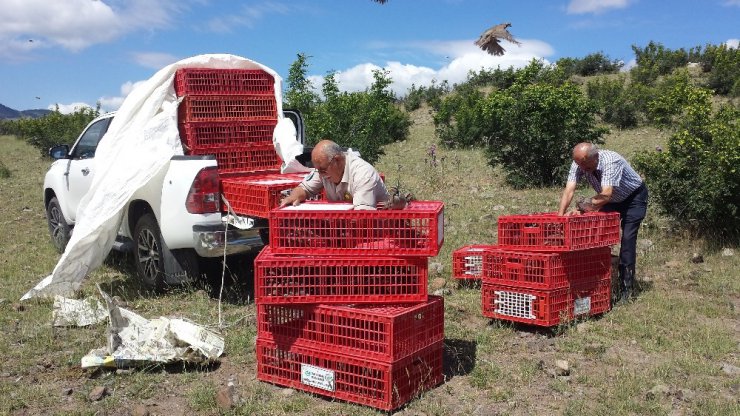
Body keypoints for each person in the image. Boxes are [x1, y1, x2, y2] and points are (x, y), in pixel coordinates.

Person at [557, 142, 649, 304]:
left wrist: (584, 206)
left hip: (633, 198)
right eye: (579, 164)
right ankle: (596, 278)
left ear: (594, 158)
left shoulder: (611, 161)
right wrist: (560, 217)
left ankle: (627, 288)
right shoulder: (579, 162)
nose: (582, 168)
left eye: (585, 165)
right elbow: (569, 189)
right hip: (611, 199)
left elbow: (606, 194)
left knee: (627, 239)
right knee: (595, 230)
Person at [280, 139, 389, 210]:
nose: (321, 176)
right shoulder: (323, 168)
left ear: (337, 160)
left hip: (374, 235)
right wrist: (294, 197)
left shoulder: (363, 175)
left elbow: (363, 217)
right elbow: (304, 188)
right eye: (318, 171)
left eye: (322, 170)